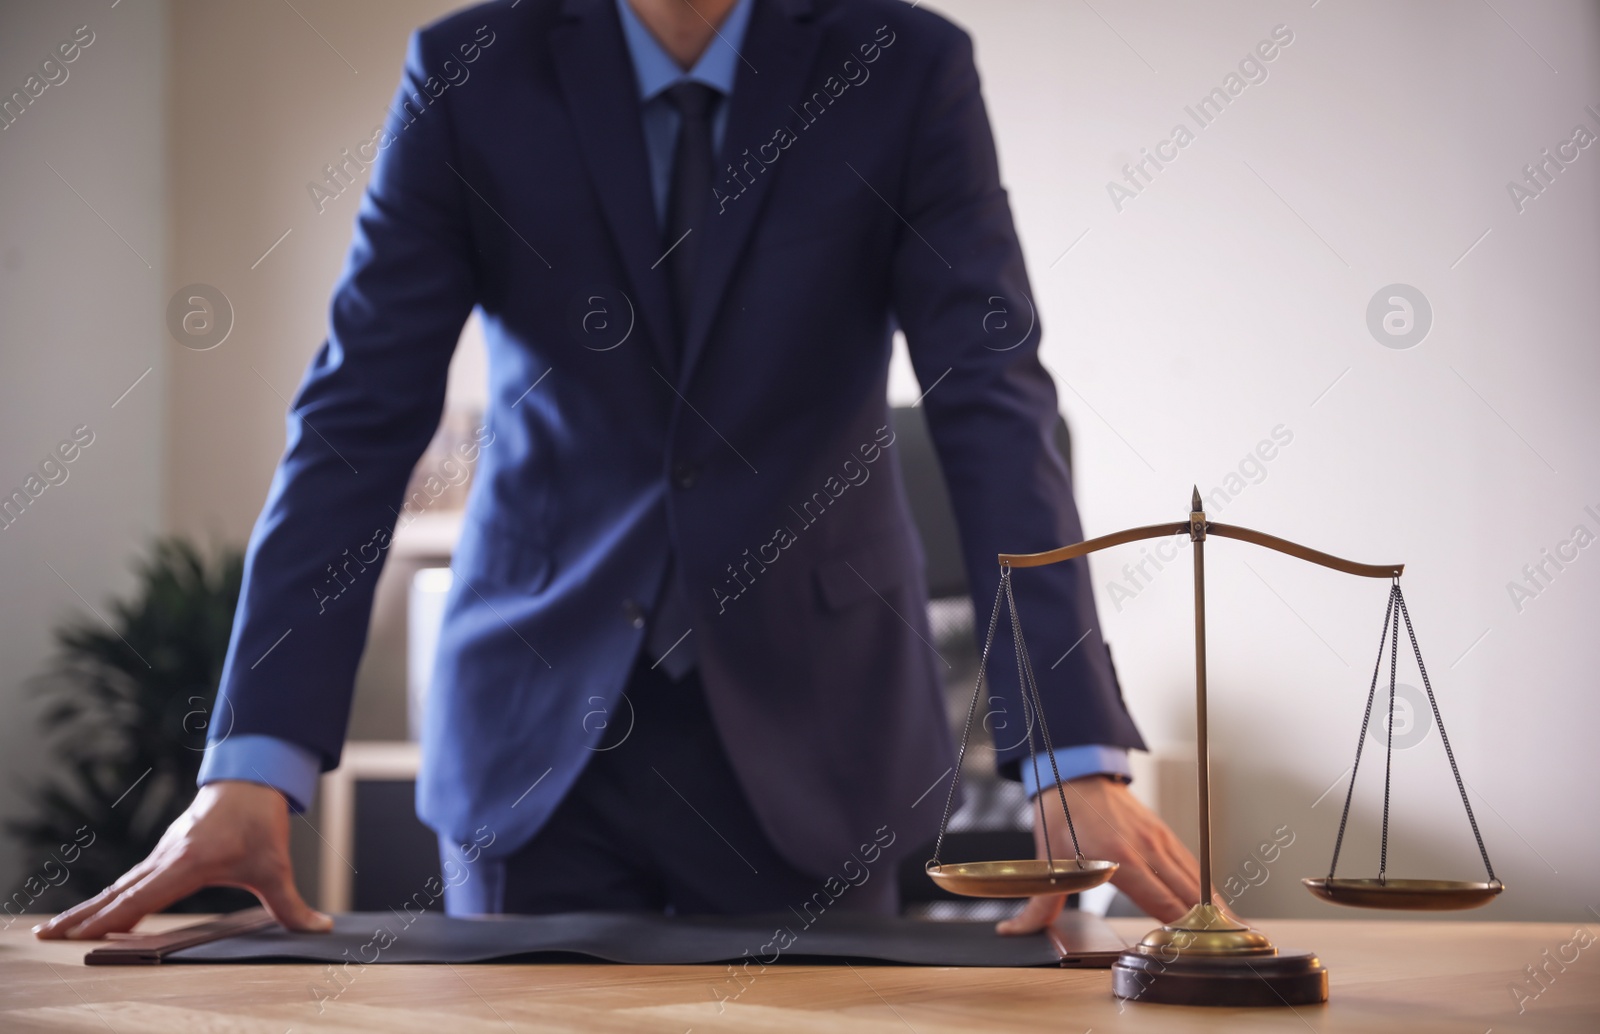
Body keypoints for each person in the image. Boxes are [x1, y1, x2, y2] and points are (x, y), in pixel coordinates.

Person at [38, 0, 1204, 942]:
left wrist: (1067, 746)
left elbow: (992, 402)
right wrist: (256, 756)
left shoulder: (903, 67)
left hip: (820, 731)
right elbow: (356, 417)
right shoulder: (469, 70)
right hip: (534, 741)